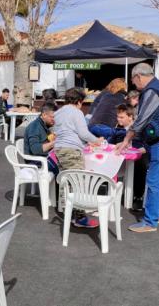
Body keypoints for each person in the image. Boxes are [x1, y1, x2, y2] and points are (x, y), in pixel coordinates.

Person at [116, 63, 159, 233]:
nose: (133, 84)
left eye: (133, 80)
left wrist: (126, 139)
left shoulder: (152, 90)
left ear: (138, 76)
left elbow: (141, 119)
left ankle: (149, 222)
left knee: (153, 180)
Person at [54, 87, 103, 228]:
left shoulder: (58, 112)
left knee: (66, 182)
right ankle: (79, 217)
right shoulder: (77, 112)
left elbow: (59, 131)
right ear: (80, 101)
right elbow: (83, 133)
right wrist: (96, 140)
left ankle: (67, 213)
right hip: (72, 150)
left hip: (59, 149)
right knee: (78, 184)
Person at [108, 104, 148, 211]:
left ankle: (138, 196)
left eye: (121, 117)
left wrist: (139, 150)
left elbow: (147, 145)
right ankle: (111, 192)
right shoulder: (119, 128)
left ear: (130, 117)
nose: (118, 119)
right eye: (117, 116)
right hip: (125, 156)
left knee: (140, 163)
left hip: (141, 154)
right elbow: (113, 142)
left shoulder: (139, 127)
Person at [23, 102, 59, 175]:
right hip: (34, 161)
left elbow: (45, 140)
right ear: (44, 115)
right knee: (60, 168)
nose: (55, 120)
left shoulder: (44, 125)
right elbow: (35, 149)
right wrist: (54, 143)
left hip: (42, 157)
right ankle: (60, 186)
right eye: (53, 117)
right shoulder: (34, 127)